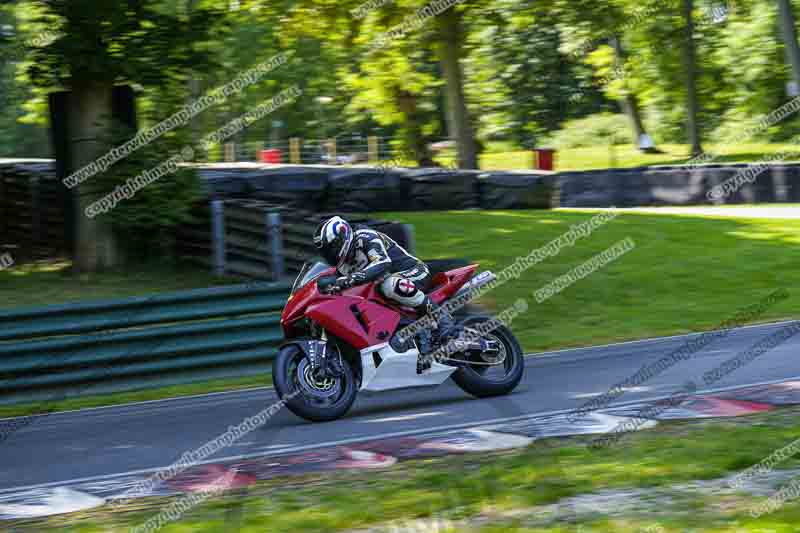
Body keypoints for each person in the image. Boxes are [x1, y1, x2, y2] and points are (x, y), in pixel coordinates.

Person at [313, 216, 456, 370]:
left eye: (332, 248)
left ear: (343, 237)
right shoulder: (343, 265)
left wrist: (351, 279)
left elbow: (382, 262)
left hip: (413, 272)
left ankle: (443, 319)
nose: (330, 254)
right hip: (386, 289)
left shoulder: (364, 237)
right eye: (326, 252)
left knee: (390, 285)